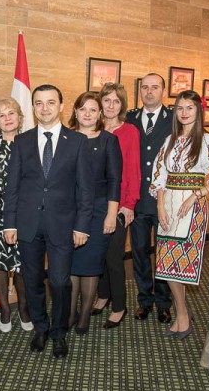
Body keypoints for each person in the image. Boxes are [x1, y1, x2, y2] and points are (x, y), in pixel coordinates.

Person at [4, 84, 92, 358]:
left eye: (50, 102)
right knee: (31, 281)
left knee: (60, 281)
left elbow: (85, 189)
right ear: (33, 107)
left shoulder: (77, 142)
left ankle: (59, 332)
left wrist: (82, 225)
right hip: (28, 224)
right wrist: (10, 223)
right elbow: (13, 186)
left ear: (62, 106)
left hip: (63, 225)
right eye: (39, 103)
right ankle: (41, 328)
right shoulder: (22, 141)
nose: (45, 108)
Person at [150, 90, 209, 339]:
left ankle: (183, 315)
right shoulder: (170, 141)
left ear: (199, 111)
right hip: (169, 207)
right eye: (179, 108)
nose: (184, 113)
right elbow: (160, 176)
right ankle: (182, 312)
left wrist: (195, 195)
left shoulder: (208, 141)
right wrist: (160, 206)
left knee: (180, 263)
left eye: (189, 108)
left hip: (192, 208)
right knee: (166, 264)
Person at [67, 92, 122, 334]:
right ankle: (69, 314)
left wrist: (112, 214)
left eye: (92, 109)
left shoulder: (109, 140)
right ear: (75, 112)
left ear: (100, 113)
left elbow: (114, 180)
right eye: (83, 109)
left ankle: (84, 316)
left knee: (89, 265)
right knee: (69, 265)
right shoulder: (65, 138)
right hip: (67, 210)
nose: (87, 114)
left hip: (99, 210)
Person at [0, 97, 32, 333]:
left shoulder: (31, 141)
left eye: (11, 113)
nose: (7, 118)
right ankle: (4, 310)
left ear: (20, 117)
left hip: (26, 213)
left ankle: (23, 309)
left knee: (22, 265)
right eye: (1, 115)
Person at [125, 73, 173, 324]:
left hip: (163, 201)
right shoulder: (130, 118)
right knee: (141, 253)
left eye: (155, 87)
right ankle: (145, 300)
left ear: (163, 90)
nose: (149, 92)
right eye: (145, 87)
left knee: (164, 253)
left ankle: (164, 303)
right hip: (138, 200)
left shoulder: (175, 118)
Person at [91, 82, 140, 329]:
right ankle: (102, 295)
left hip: (119, 205)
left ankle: (119, 305)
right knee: (96, 254)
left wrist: (129, 204)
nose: (111, 106)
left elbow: (132, 170)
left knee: (113, 256)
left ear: (122, 105)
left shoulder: (129, 131)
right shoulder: (93, 128)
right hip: (93, 204)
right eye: (107, 100)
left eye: (116, 101)